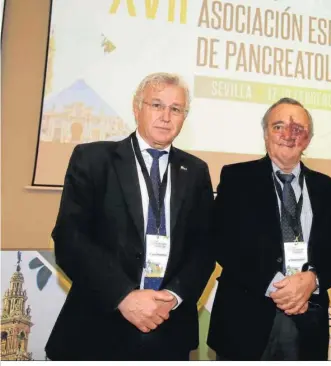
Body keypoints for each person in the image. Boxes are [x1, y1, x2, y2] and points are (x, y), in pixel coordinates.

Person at [45, 72, 215, 361]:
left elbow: (204, 247)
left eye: (176, 109)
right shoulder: (94, 159)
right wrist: (123, 296)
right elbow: (70, 239)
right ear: (137, 108)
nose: (166, 116)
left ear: (184, 117)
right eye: (156, 105)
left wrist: (172, 298)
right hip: (98, 326)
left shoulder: (196, 171)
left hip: (168, 328)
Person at [207, 97, 331, 360]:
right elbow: (221, 241)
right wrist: (275, 285)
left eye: (297, 129)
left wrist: (313, 280)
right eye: (278, 127)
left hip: (308, 322)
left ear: (307, 139)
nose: (288, 135)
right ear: (265, 134)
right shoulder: (236, 179)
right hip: (245, 321)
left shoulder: (328, 189)